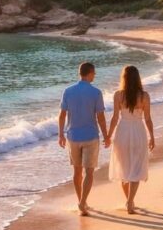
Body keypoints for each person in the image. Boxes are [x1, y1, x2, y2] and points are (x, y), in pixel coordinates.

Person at [58, 62, 109, 216]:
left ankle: (81, 200)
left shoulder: (68, 91)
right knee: (89, 172)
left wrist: (60, 134)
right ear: (90, 73)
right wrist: (106, 135)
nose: (95, 76)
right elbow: (100, 117)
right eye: (94, 73)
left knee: (77, 171)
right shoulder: (96, 93)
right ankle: (82, 202)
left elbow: (62, 115)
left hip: (73, 136)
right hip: (90, 136)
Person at [106, 65, 155, 215]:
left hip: (123, 132)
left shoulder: (118, 95)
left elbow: (115, 118)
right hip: (138, 131)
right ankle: (130, 201)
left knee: (124, 167)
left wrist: (108, 136)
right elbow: (147, 119)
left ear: (124, 78)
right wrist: (152, 136)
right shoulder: (144, 96)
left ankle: (129, 200)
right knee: (137, 168)